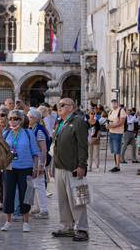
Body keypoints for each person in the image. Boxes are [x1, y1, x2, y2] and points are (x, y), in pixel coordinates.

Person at [51, 98, 89, 242]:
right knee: (63, 200)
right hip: (60, 167)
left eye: (62, 105)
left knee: (78, 200)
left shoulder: (78, 121)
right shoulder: (60, 122)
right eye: (58, 105)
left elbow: (83, 145)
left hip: (74, 168)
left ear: (71, 107)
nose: (59, 107)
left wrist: (82, 165)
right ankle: (67, 226)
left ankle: (82, 229)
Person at [0, 110, 39, 232]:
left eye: (15, 118)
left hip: (26, 168)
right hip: (9, 168)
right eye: (10, 118)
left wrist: (36, 167)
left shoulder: (28, 133)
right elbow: (1, 152)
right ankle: (8, 221)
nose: (13, 121)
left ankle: (26, 222)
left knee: (26, 195)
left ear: (21, 120)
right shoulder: (6, 133)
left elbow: (35, 151)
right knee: (8, 194)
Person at [27, 109, 49, 219]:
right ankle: (37, 207)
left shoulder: (39, 131)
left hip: (39, 161)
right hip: (33, 161)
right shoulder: (32, 129)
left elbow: (43, 149)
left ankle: (44, 210)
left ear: (36, 119)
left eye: (31, 117)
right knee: (34, 185)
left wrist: (41, 165)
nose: (28, 119)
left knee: (39, 185)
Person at [107, 99, 126, 172]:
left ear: (117, 103)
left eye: (115, 103)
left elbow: (121, 122)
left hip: (118, 133)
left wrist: (112, 126)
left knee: (117, 149)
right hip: (111, 132)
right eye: (112, 103)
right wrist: (107, 126)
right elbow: (108, 120)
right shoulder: (111, 111)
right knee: (113, 150)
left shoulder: (121, 110)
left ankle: (118, 166)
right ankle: (115, 165)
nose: (113, 104)